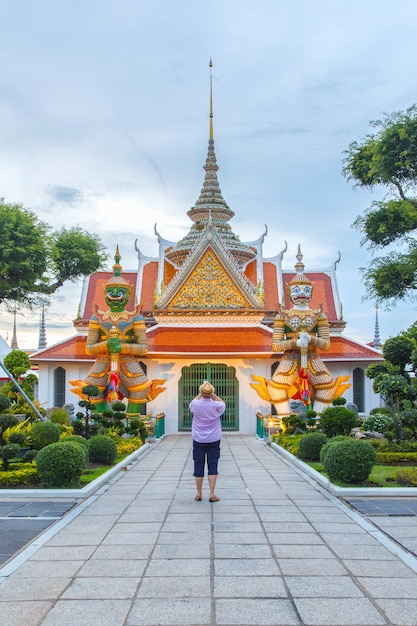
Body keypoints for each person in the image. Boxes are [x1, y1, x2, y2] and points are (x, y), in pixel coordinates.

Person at [189, 381, 226, 502]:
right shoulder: (217, 406)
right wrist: (213, 395)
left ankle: (199, 493)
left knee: (198, 465)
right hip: (214, 439)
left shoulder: (195, 404)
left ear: (201, 392)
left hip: (199, 439)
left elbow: (193, 401)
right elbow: (222, 402)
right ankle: (211, 493)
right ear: (211, 393)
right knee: (213, 465)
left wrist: (201, 394)